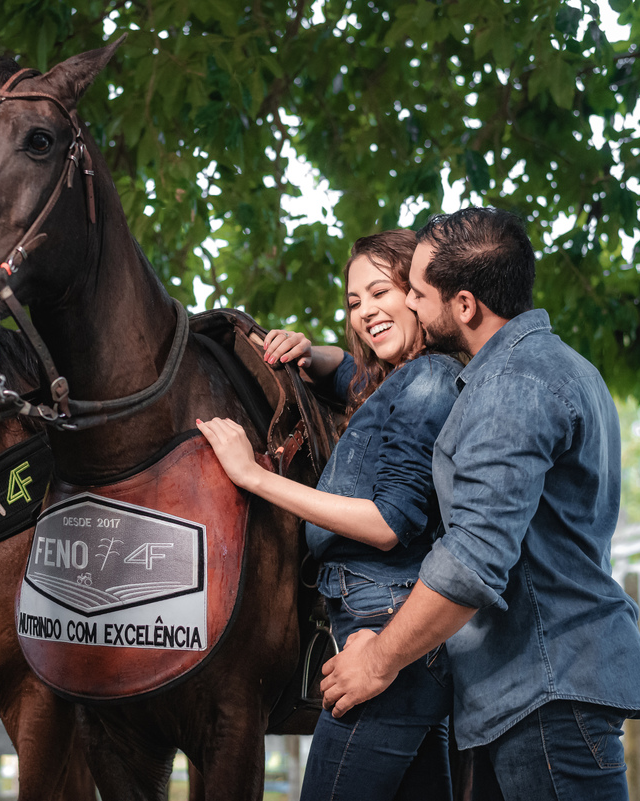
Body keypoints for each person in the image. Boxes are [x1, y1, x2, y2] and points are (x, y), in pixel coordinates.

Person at [320, 207, 640, 800]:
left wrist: (377, 660)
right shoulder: (559, 367)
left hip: (546, 688)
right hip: (540, 687)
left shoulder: (512, 386)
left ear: (466, 305)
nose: (415, 310)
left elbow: (472, 561)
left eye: (419, 295)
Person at [197, 229, 463, 800]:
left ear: (418, 294)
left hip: (383, 627)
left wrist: (253, 477)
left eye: (380, 293)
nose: (365, 312)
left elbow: (389, 522)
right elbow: (349, 374)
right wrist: (310, 352)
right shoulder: (401, 380)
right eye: (353, 303)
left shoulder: (427, 382)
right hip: (399, 631)